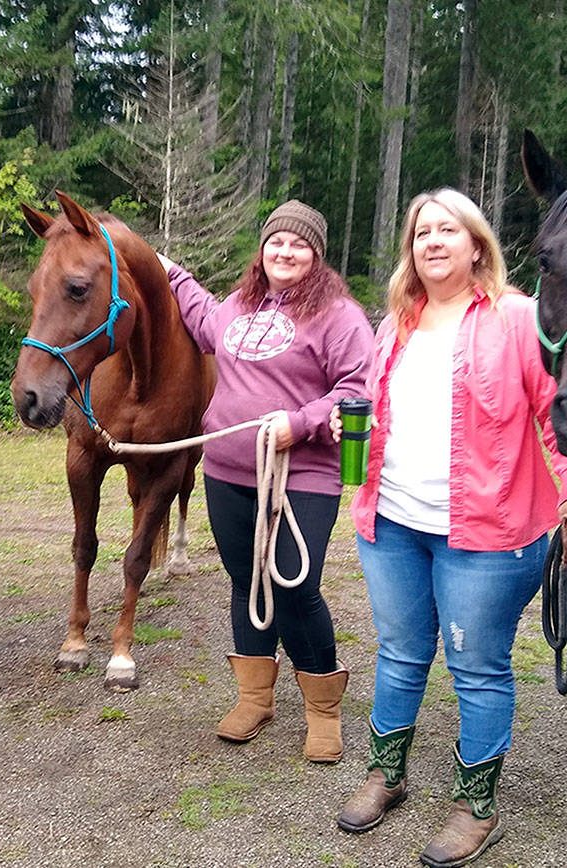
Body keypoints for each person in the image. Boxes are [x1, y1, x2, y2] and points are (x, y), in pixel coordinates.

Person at [331, 189, 567, 867]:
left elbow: (555, 409)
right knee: (398, 652)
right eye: (421, 231)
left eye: (447, 230)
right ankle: (385, 774)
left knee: (477, 668)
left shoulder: (517, 318)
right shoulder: (395, 320)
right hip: (391, 521)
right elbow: (370, 403)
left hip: (487, 533)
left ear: (476, 243)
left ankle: (475, 805)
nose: (432, 241)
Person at [159, 200, 374, 763]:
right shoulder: (238, 304)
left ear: (317, 255)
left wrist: (299, 423)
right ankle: (255, 698)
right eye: (276, 241)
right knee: (244, 579)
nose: (285, 251)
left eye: (299, 244)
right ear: (262, 249)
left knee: (294, 588)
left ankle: (323, 711)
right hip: (228, 470)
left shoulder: (339, 315)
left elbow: (357, 389)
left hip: (301, 473)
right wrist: (168, 270)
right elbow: (201, 317)